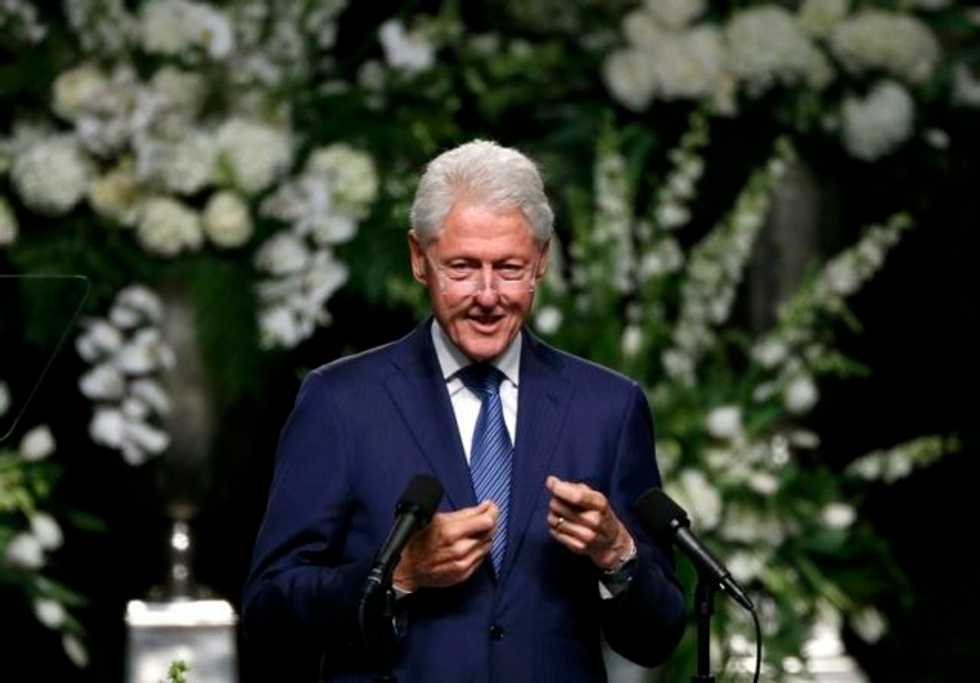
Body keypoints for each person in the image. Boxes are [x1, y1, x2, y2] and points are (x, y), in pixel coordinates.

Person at [243, 140, 686, 682]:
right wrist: (399, 574)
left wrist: (617, 553)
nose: (487, 294)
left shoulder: (607, 408)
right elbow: (268, 612)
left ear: (541, 261)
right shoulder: (339, 402)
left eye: (509, 267)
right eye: (462, 267)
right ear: (419, 258)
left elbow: (658, 638)